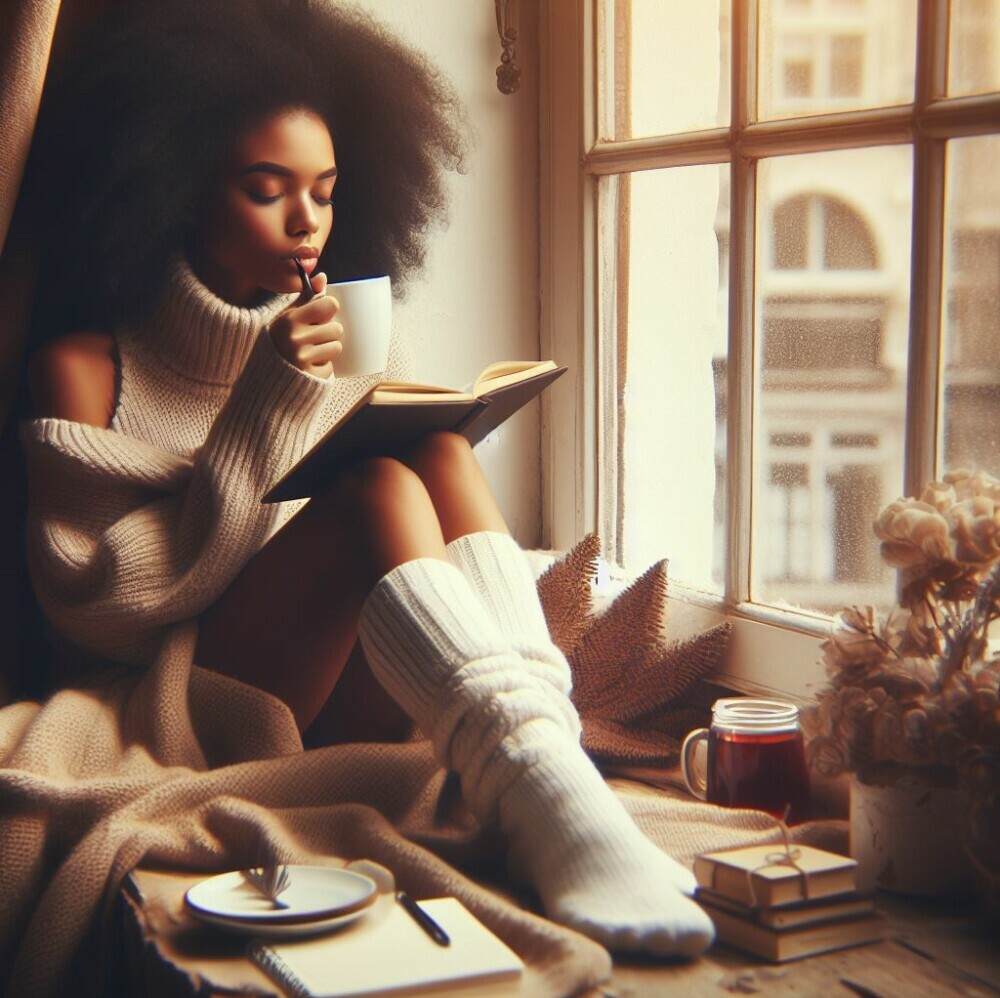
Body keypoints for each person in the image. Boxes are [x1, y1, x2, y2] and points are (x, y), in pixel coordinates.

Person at [19, 0, 713, 957]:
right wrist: (267, 400)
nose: (309, 222)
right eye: (268, 190)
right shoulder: (90, 362)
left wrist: (346, 394)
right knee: (378, 493)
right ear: (180, 190)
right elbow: (100, 607)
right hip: (190, 703)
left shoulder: (337, 330)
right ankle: (548, 794)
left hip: (353, 688)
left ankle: (546, 772)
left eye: (327, 190)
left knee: (433, 454)